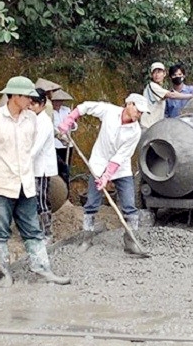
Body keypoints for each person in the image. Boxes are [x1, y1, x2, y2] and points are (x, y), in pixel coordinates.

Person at [0, 76, 70, 287]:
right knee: (1, 230)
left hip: (25, 183)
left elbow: (31, 149)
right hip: (1, 183)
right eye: (27, 96)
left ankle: (42, 268)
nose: (31, 100)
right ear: (15, 96)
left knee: (32, 228)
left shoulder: (32, 119)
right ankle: (4, 272)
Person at [57, 93, 150, 257]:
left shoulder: (135, 131)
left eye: (142, 113)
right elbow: (85, 106)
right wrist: (69, 119)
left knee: (129, 205)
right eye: (138, 110)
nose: (139, 114)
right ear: (129, 104)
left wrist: (107, 176)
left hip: (121, 169)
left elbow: (121, 156)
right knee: (92, 202)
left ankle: (131, 242)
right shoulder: (109, 111)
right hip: (98, 164)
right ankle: (87, 238)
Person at [30, 88, 58, 241]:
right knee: (33, 200)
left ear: (42, 104)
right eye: (29, 104)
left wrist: (23, 162)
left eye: (34, 104)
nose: (30, 107)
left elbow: (36, 148)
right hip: (33, 166)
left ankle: (47, 232)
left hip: (42, 168)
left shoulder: (44, 122)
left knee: (41, 199)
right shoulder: (33, 119)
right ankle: (36, 230)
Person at [139, 61, 193, 130]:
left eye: (159, 72)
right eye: (154, 72)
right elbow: (172, 95)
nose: (157, 75)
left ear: (164, 74)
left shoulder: (160, 89)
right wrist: (191, 96)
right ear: (151, 75)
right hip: (148, 125)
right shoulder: (152, 86)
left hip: (155, 125)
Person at [51, 88, 76, 191]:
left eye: (60, 100)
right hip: (55, 145)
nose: (58, 103)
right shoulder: (49, 112)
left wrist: (72, 123)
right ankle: (58, 191)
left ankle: (66, 191)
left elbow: (74, 126)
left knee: (66, 168)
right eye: (56, 101)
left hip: (67, 145)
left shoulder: (67, 110)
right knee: (57, 168)